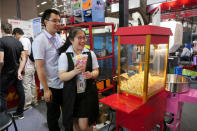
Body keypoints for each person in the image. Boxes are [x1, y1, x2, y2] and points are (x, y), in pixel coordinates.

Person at [58, 28, 99, 131]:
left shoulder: (90, 53)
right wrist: (74, 72)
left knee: (85, 125)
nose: (83, 41)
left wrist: (92, 74)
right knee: (75, 122)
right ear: (71, 40)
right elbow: (62, 76)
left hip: (87, 94)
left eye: (84, 38)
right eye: (79, 38)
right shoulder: (65, 55)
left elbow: (96, 71)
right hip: (71, 95)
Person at [32, 9, 63, 131]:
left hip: (62, 81)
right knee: (53, 115)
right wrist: (45, 90)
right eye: (54, 20)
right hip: (51, 85)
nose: (58, 23)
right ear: (45, 22)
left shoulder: (58, 37)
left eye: (59, 21)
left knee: (64, 112)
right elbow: (39, 67)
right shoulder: (39, 40)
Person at [0, 22, 27, 119]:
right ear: (11, 31)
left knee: (2, 93)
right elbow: (24, 58)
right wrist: (19, 71)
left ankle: (4, 116)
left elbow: (1, 61)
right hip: (16, 72)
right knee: (20, 91)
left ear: (2, 30)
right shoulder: (18, 42)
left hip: (6, 73)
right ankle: (20, 113)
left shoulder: (1, 41)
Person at [12, 28, 37, 110]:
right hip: (32, 65)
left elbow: (25, 54)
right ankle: (34, 101)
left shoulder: (23, 40)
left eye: (14, 35)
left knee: (26, 86)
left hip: (27, 67)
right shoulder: (29, 39)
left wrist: (22, 67)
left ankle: (27, 105)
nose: (15, 37)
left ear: (16, 33)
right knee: (32, 84)